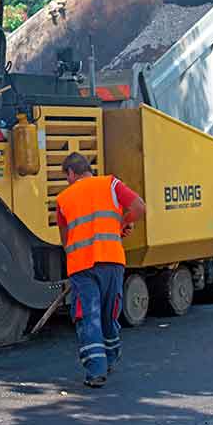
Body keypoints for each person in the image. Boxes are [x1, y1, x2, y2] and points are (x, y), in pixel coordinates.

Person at [55, 152, 146, 388]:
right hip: (112, 260)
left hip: (82, 267)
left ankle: (96, 371)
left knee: (89, 317)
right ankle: (111, 356)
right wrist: (122, 223)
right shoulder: (111, 184)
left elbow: (66, 241)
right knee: (109, 313)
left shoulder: (63, 199)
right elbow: (139, 207)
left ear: (71, 173)